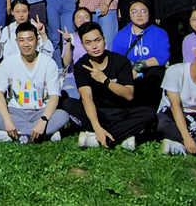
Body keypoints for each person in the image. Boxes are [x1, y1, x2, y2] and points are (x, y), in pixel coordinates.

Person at [63, 21, 156, 149]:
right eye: (88, 43)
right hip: (96, 112)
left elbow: (129, 95)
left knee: (149, 114)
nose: (94, 46)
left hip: (120, 112)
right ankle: (118, 135)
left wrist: (106, 81)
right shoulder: (81, 65)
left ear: (104, 39)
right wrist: (97, 127)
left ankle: (96, 138)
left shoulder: (120, 61)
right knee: (68, 104)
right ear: (83, 45)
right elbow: (86, 98)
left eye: (97, 40)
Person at [0, 22, 69, 143]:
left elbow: (54, 97)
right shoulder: (8, 63)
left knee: (62, 116)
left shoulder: (49, 63)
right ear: (16, 42)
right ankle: (42, 135)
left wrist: (43, 121)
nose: (26, 44)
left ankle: (13, 135)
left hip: (41, 111)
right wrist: (7, 120)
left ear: (37, 40)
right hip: (15, 111)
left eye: (30, 39)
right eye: (21, 40)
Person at [110, 0, 169, 108]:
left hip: (151, 76)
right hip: (129, 74)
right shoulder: (121, 35)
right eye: (134, 12)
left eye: (143, 11)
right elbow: (117, 59)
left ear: (149, 13)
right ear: (129, 15)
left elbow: (162, 57)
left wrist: (138, 68)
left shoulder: (159, 33)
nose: (139, 15)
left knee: (156, 73)